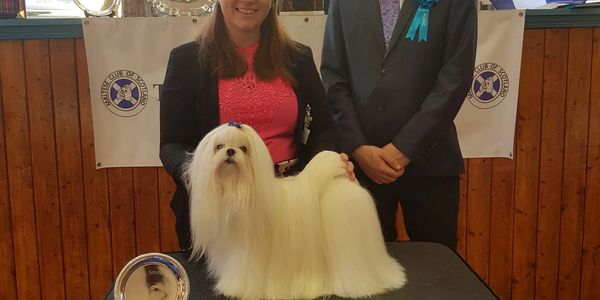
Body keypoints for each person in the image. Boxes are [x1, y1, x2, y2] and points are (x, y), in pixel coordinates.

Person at [160, 0, 351, 249]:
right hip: (222, 212)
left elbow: (323, 130)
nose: (248, 1)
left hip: (294, 209)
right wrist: (195, 172)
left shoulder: (298, 57)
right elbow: (171, 144)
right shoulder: (187, 60)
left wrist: (326, 167)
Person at [321, 0, 477, 248]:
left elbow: (455, 77)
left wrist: (405, 147)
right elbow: (333, 77)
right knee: (364, 274)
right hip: (361, 168)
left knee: (437, 273)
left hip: (431, 161)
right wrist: (359, 148)